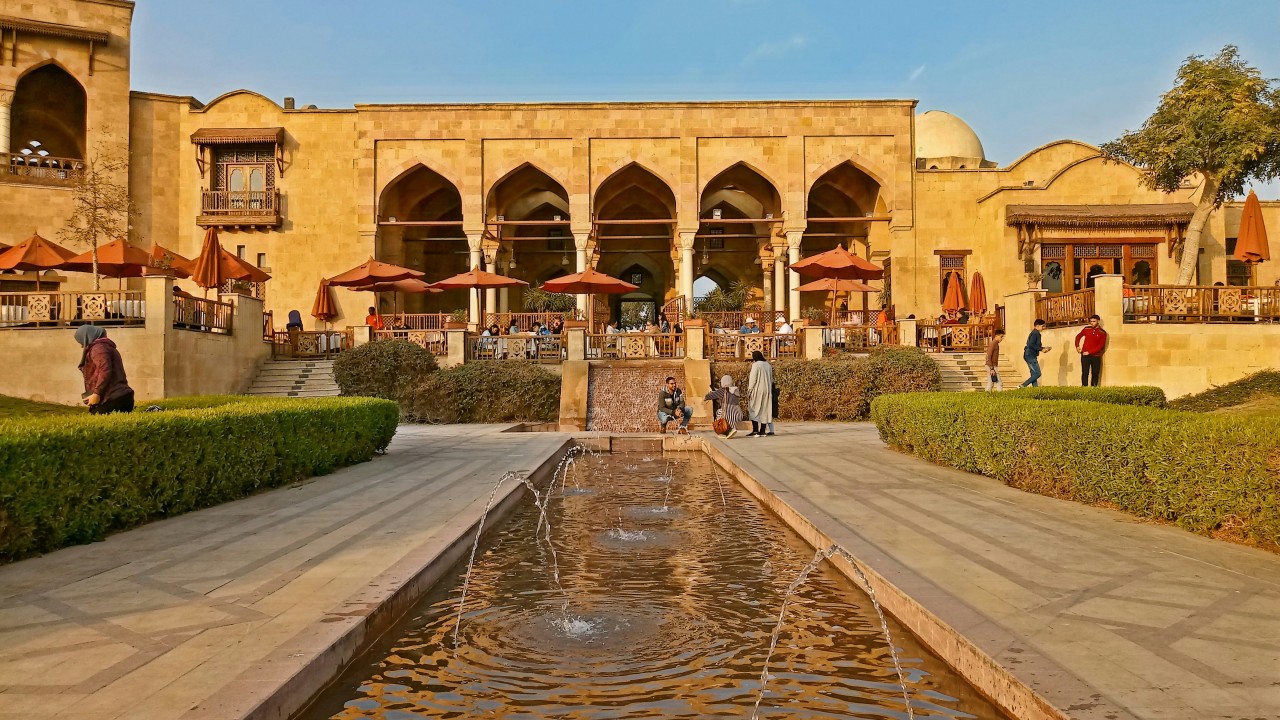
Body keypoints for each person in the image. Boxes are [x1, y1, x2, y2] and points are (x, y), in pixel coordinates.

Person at [75, 325, 134, 415]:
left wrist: (97, 394)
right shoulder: (106, 346)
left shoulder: (98, 348)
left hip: (112, 398)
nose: (82, 346)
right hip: (119, 396)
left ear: (87, 338)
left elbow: (105, 370)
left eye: (82, 342)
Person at [704, 374, 742, 439]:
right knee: (722, 411)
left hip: (728, 414)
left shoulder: (723, 390)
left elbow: (710, 396)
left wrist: (709, 392)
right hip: (738, 414)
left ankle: (725, 431)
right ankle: (731, 428)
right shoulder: (736, 390)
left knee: (719, 413)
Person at [1074, 314, 1108, 387]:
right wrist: (1077, 346)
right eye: (1091, 321)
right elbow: (1078, 336)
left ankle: (1094, 388)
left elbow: (1101, 346)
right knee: (1085, 372)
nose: (1092, 323)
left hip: (1096, 356)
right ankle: (1084, 387)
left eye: (1094, 321)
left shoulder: (1103, 333)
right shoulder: (1086, 329)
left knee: (1095, 373)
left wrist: (1089, 352)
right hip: (1085, 356)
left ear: (1098, 321)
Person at [746, 350, 773, 437]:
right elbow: (771, 379)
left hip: (757, 390)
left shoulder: (756, 365)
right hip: (767, 390)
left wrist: (749, 390)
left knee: (754, 409)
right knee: (765, 410)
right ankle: (762, 431)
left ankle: (755, 431)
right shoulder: (768, 365)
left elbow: (753, 379)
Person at [1019, 319, 1050, 388]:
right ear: (1037, 326)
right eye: (1042, 326)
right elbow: (1031, 345)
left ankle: (1035, 389)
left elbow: (1034, 345)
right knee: (1038, 373)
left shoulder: (1034, 333)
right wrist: (1041, 349)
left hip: (1029, 355)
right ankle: (1023, 385)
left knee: (1034, 374)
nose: (1044, 328)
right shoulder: (1036, 333)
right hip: (1030, 356)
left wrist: (1043, 348)